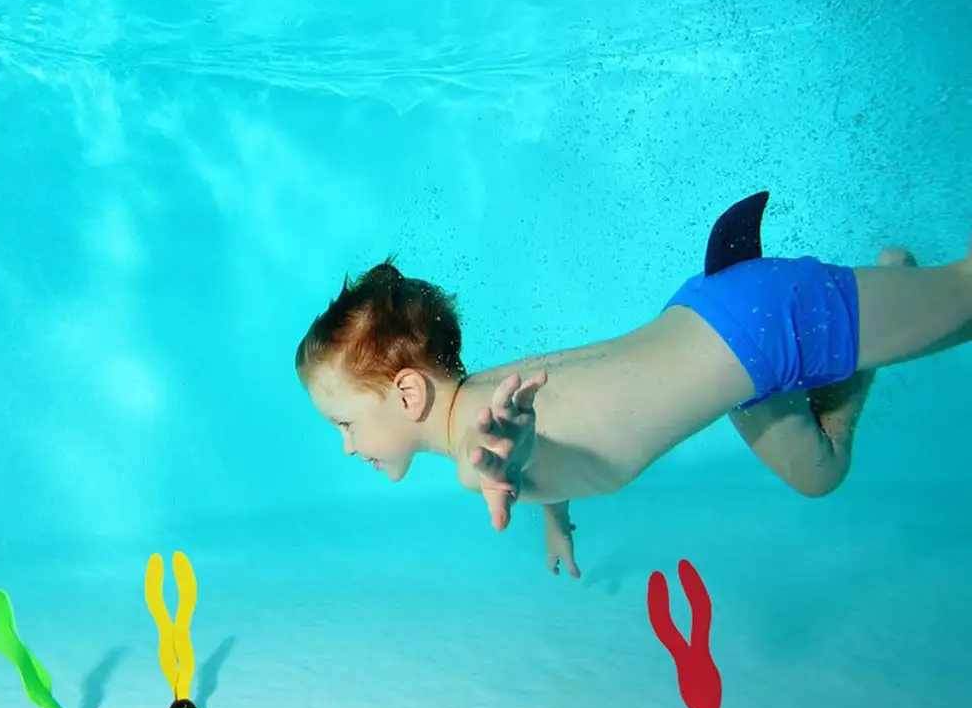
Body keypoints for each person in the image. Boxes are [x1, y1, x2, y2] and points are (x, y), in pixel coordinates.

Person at [295, 192, 972, 579]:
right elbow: (540, 440)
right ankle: (893, 286)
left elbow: (515, 446)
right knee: (817, 473)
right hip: (731, 345)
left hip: (762, 329)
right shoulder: (491, 394)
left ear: (407, 395)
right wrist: (554, 518)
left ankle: (898, 300)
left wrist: (508, 458)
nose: (348, 445)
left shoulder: (482, 450)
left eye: (345, 423)